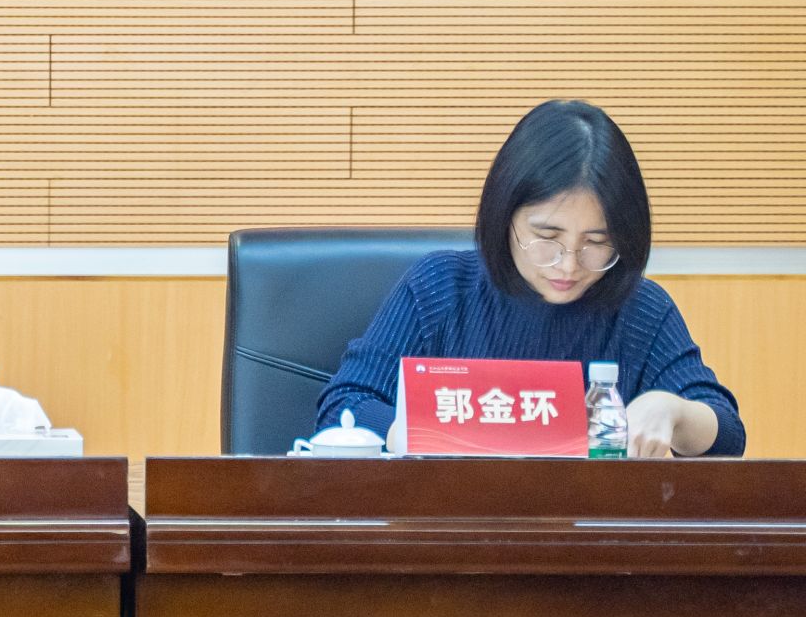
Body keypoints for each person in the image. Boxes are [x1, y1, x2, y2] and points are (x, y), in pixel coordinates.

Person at [317, 100, 743, 457]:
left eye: (596, 242)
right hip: (451, 526)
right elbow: (343, 406)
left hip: (586, 529)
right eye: (547, 238)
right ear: (506, 217)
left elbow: (726, 435)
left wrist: (673, 411)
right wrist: (425, 433)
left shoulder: (639, 309)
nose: (569, 265)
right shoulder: (440, 288)